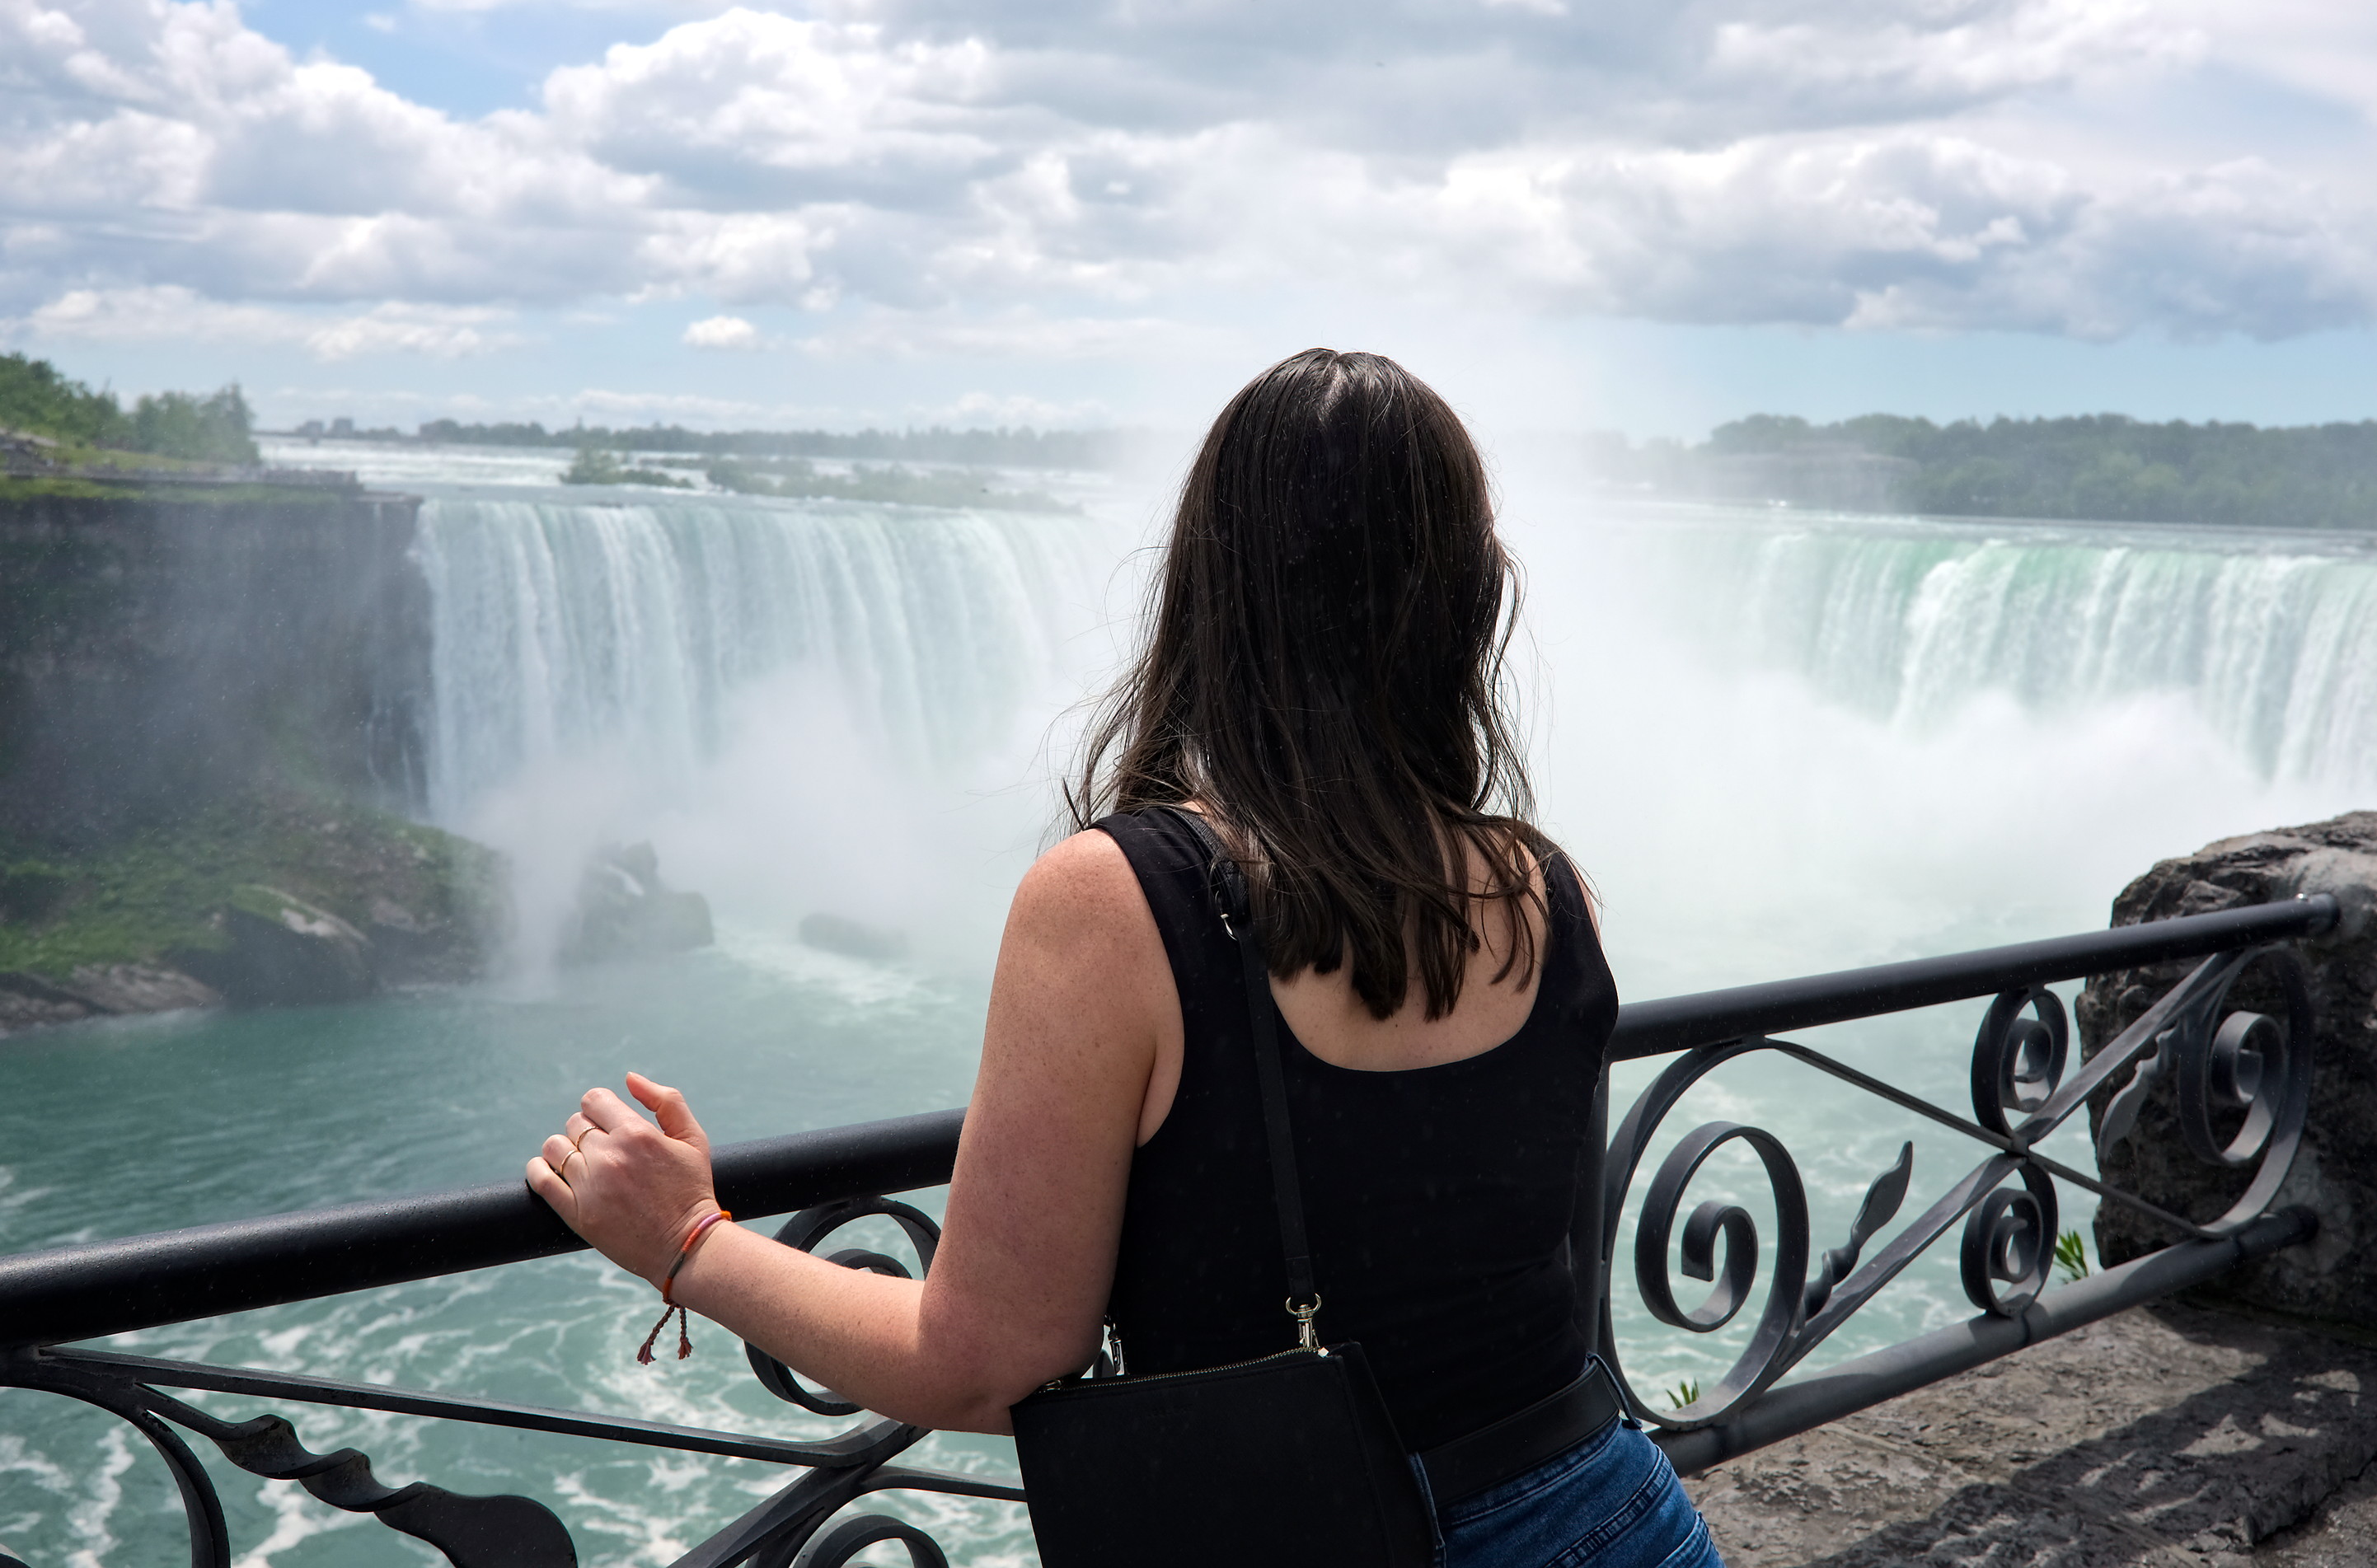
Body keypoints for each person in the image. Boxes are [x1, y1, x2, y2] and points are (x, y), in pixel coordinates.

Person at [527, 349, 1723, 1566]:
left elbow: (988, 1361)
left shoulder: (1123, 900)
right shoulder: (1549, 888)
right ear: (1469, 598)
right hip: (1618, 1515)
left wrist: (688, 1241)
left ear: (1214, 589)